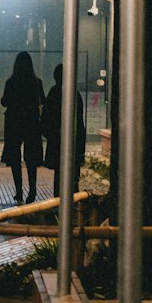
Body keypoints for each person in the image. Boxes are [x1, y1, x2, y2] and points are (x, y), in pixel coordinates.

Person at [0, 51, 45, 204]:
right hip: (31, 122)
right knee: (31, 159)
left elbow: (4, 102)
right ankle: (32, 190)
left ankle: (18, 192)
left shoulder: (11, 82)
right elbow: (42, 101)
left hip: (14, 123)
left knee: (15, 158)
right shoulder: (36, 82)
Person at [41, 64, 85, 201]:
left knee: (59, 174)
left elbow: (46, 117)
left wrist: (50, 134)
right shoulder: (75, 93)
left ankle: (58, 202)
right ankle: (73, 203)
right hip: (74, 141)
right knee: (74, 174)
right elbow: (79, 118)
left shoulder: (54, 93)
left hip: (57, 140)